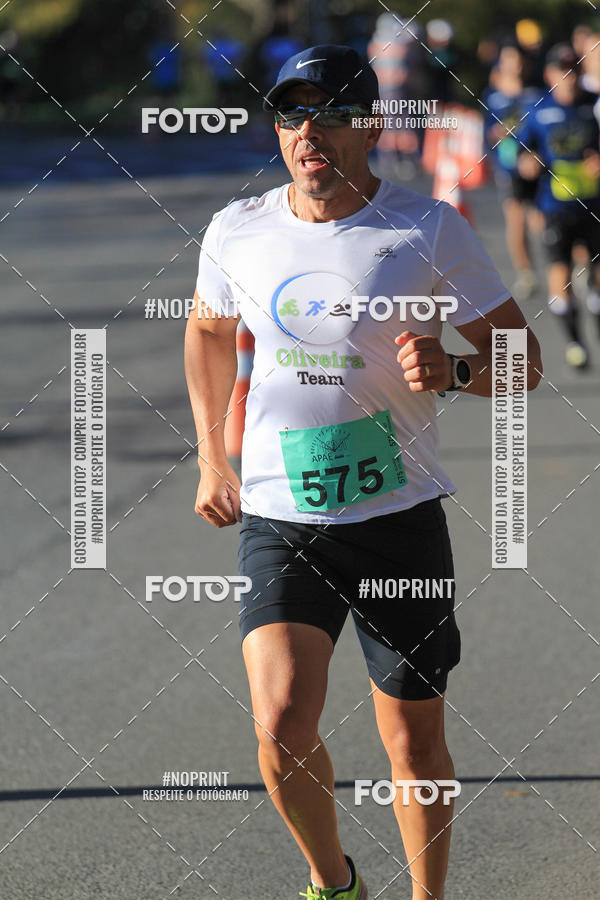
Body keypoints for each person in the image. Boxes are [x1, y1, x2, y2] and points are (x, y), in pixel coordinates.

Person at [185, 44, 542, 900]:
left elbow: (521, 360)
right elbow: (204, 332)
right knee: (277, 724)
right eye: (292, 113)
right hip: (283, 515)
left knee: (412, 745)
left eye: (333, 112)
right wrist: (208, 454)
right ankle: (334, 881)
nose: (310, 132)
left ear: (372, 124)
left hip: (397, 521)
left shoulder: (427, 228)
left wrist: (456, 369)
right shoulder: (239, 227)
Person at [517, 43, 600, 368]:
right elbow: (517, 152)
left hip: (594, 205)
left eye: (574, 71)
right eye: (562, 71)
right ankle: (575, 344)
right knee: (560, 278)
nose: (569, 78)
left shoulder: (593, 107)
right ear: (550, 75)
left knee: (596, 279)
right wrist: (527, 163)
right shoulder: (539, 111)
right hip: (555, 208)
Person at [483, 44, 543, 300]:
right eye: (508, 60)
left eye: (518, 60)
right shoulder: (493, 97)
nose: (514, 66)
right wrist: (496, 136)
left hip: (535, 165)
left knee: (540, 219)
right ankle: (526, 273)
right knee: (515, 218)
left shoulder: (536, 94)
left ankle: (568, 265)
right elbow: (487, 134)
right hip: (508, 166)